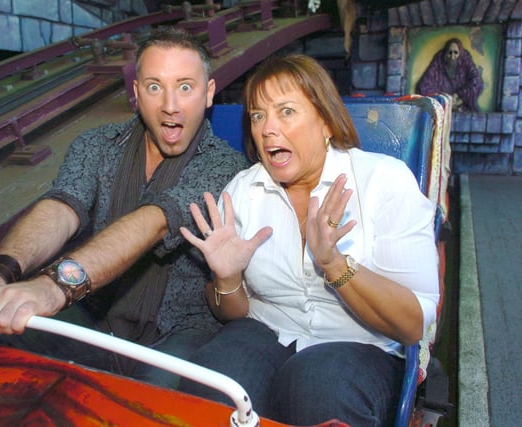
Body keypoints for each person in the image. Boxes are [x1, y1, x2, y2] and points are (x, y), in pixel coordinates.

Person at [0, 27, 249, 389]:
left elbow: (155, 221)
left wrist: (52, 287)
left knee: (157, 403)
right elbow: (62, 208)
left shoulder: (226, 166)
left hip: (176, 333)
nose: (170, 105)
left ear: (208, 94)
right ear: (136, 93)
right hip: (95, 318)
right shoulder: (95, 146)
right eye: (155, 86)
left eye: (185, 87)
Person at [178, 54, 440, 426]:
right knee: (211, 383)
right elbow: (231, 313)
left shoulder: (384, 181)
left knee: (317, 386)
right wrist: (226, 279)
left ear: (326, 122)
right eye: (257, 116)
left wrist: (335, 265)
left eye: (286, 112)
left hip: (361, 346)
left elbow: (412, 325)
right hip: (265, 331)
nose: (268, 128)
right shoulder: (243, 190)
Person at [416, 37, 483, 112]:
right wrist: (443, 99)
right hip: (442, 105)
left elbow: (477, 82)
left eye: (455, 52)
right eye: (450, 53)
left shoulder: (465, 60)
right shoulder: (438, 61)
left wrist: (459, 96)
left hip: (462, 104)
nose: (452, 56)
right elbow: (423, 86)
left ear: (460, 53)